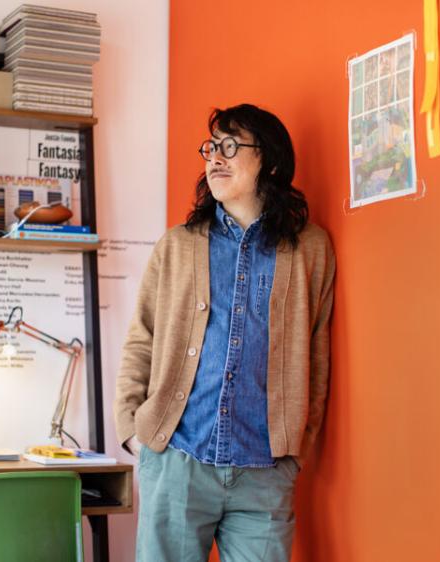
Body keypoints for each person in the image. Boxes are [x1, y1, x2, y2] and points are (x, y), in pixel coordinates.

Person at [114, 103, 335, 561]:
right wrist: (134, 429)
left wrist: (298, 447)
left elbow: (316, 350)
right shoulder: (177, 245)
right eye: (211, 147)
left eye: (230, 147)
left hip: (265, 472)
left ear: (270, 161)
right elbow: (142, 338)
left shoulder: (310, 248)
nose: (214, 157)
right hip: (179, 458)